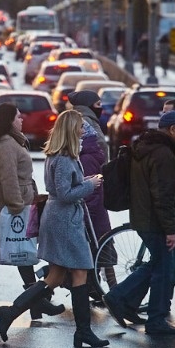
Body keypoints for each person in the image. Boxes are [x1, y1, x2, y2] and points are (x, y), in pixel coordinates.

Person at [0, 110, 108, 348]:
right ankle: (83, 332)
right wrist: (91, 184)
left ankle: (11, 313)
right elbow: (65, 194)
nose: (83, 131)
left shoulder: (58, 155)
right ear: (70, 130)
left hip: (60, 218)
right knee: (80, 272)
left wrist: (85, 182)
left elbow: (61, 189)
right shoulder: (65, 158)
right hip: (65, 221)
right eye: (79, 127)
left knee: (55, 276)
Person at [102, 110, 175, 335]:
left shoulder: (144, 148)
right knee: (165, 268)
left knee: (157, 263)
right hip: (154, 220)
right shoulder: (163, 154)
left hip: (142, 216)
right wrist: (170, 230)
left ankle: (125, 301)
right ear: (172, 129)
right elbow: (163, 194)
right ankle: (155, 319)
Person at [0, 103, 62, 318]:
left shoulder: (8, 141)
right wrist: (17, 206)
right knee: (1, 251)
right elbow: (8, 177)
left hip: (5, 203)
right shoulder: (5, 144)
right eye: (18, 117)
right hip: (5, 205)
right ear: (8, 121)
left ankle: (35, 300)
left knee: (22, 251)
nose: (22, 121)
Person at [70, 90, 111, 305]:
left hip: (93, 193)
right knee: (99, 242)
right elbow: (95, 161)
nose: (101, 106)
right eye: (97, 102)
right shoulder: (87, 125)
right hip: (92, 194)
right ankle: (110, 293)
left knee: (101, 243)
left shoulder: (84, 121)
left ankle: (109, 292)